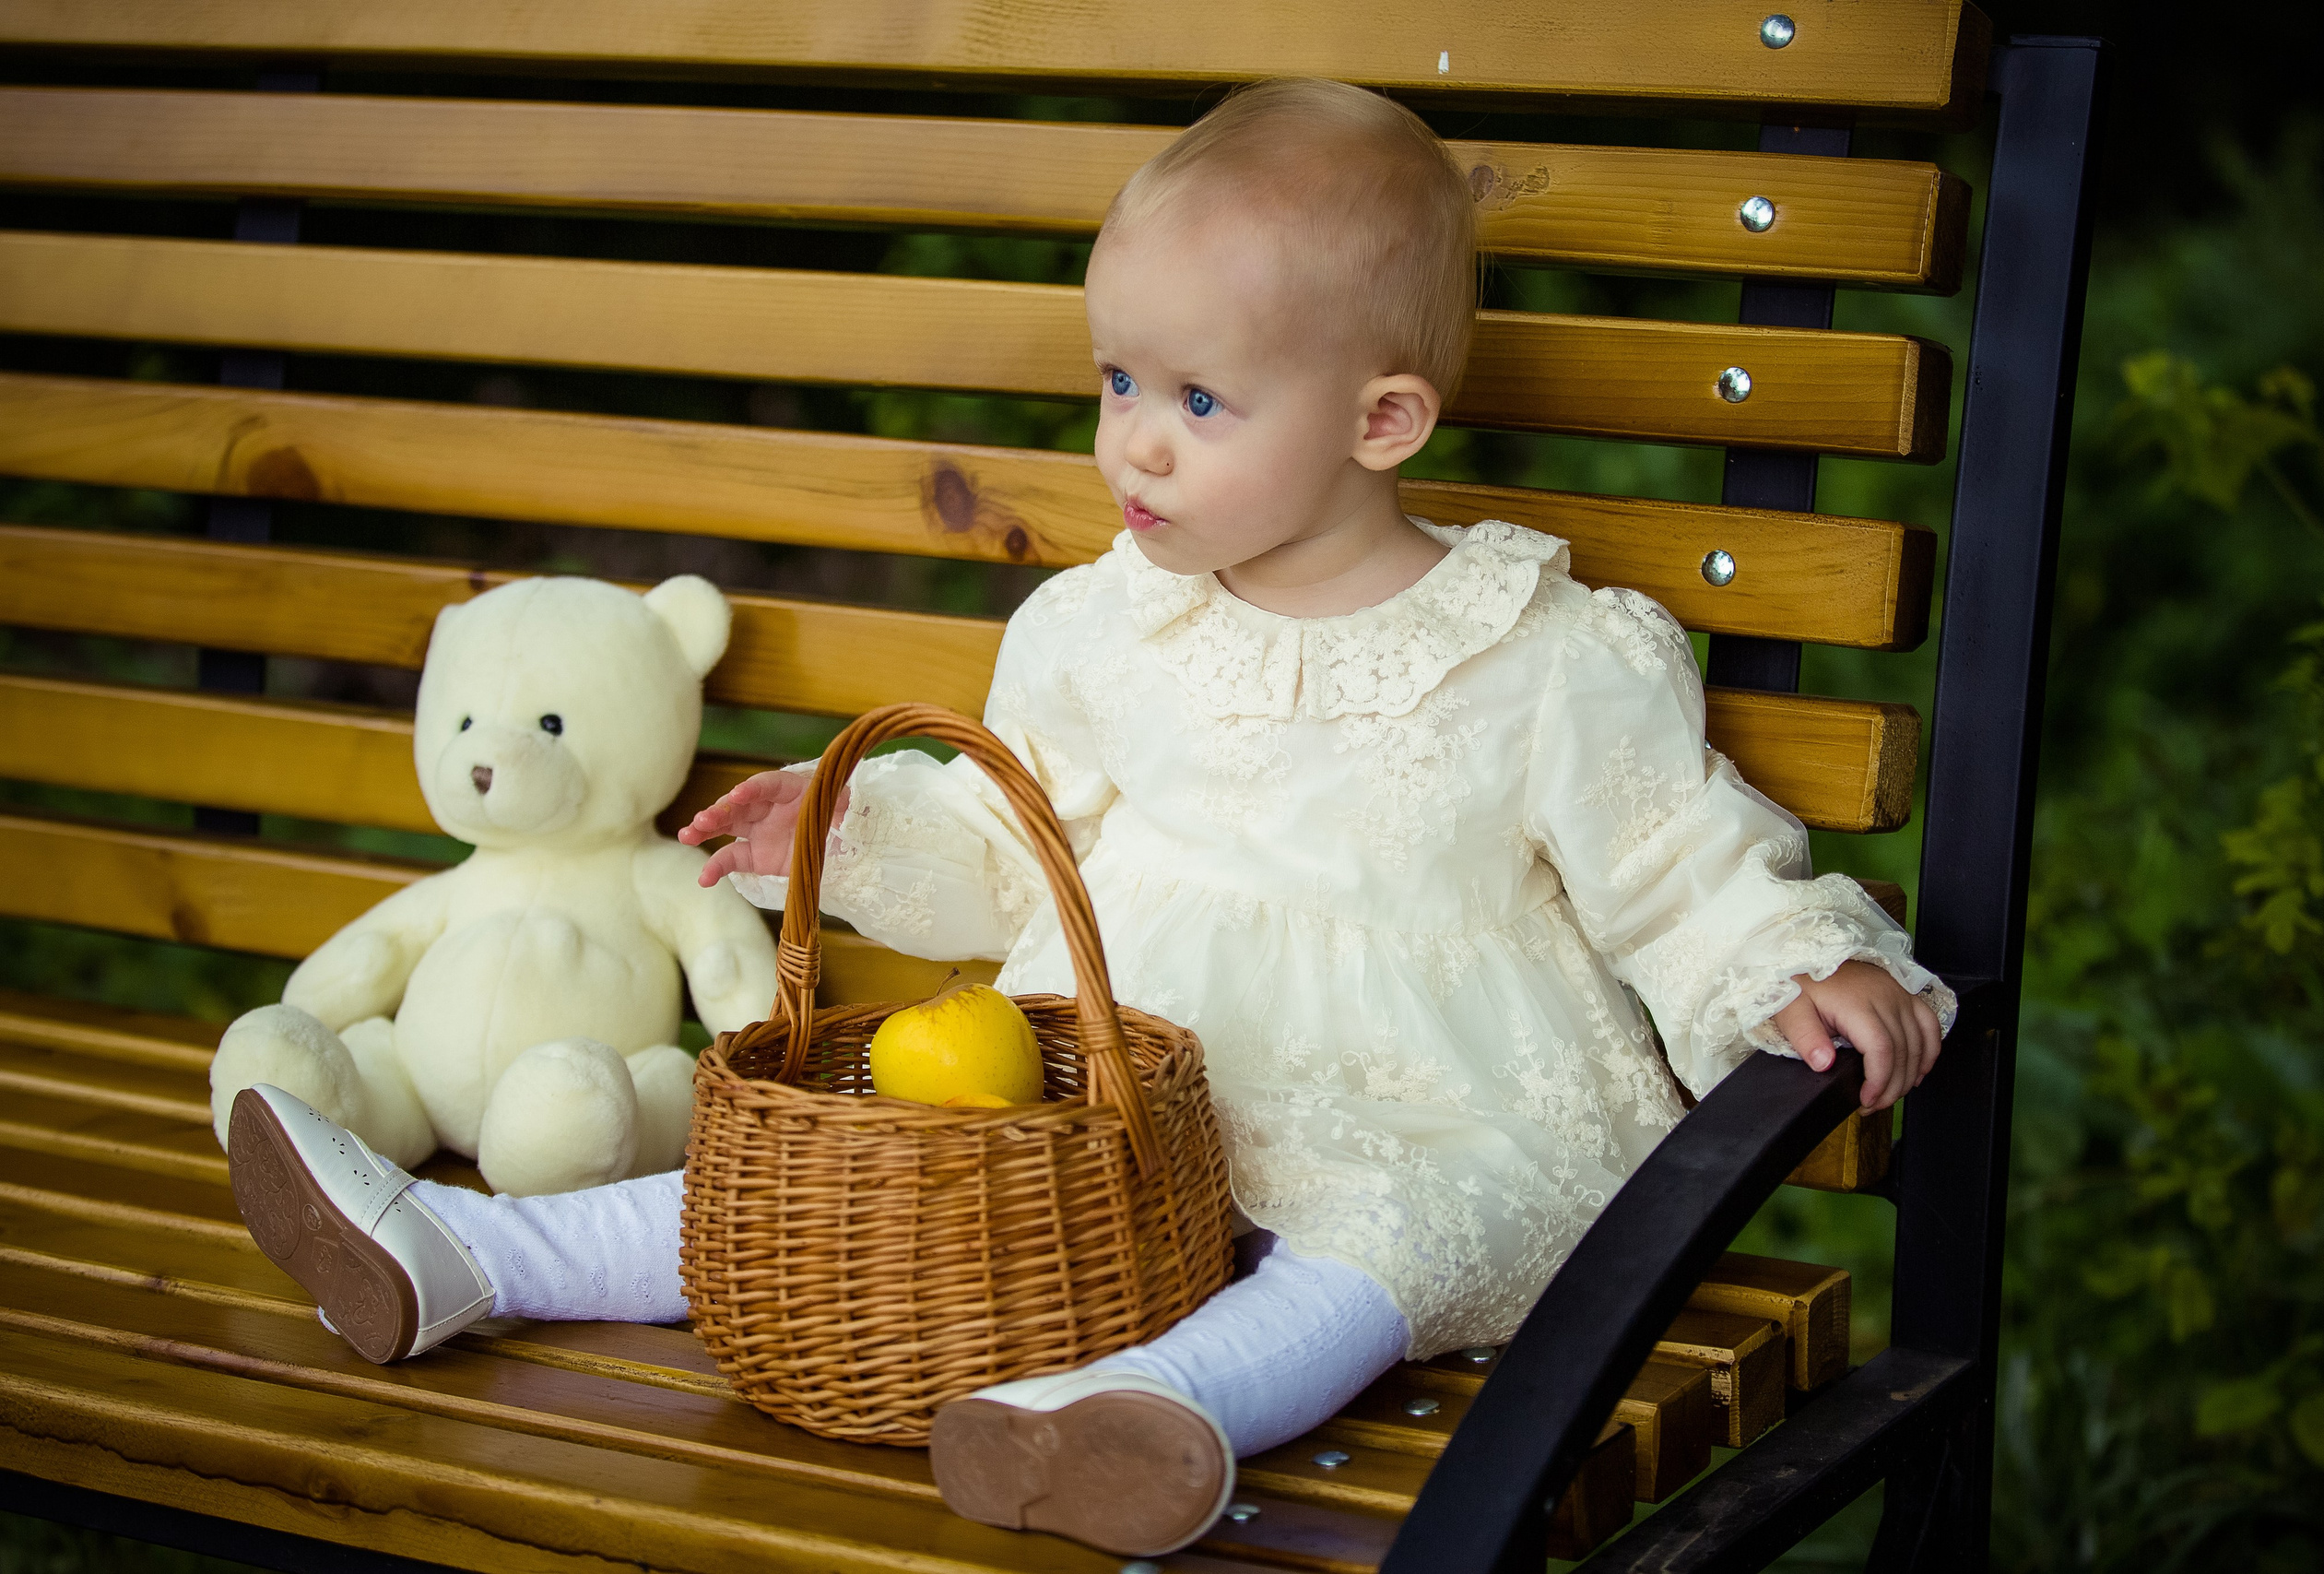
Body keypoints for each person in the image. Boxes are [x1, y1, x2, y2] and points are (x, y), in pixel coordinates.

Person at [223, 77, 1953, 1558]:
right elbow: (1005, 838)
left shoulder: (1540, 656)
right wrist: (835, 830)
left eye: (1200, 402)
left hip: (1412, 1091)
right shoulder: (1101, 626)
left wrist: (1792, 964)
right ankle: (472, 1250)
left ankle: (1135, 1421)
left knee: (1386, 1244)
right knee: (873, 1191)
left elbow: (1675, 863)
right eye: (1119, 379)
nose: (1134, 444)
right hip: (1102, 1084)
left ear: (1383, 421)